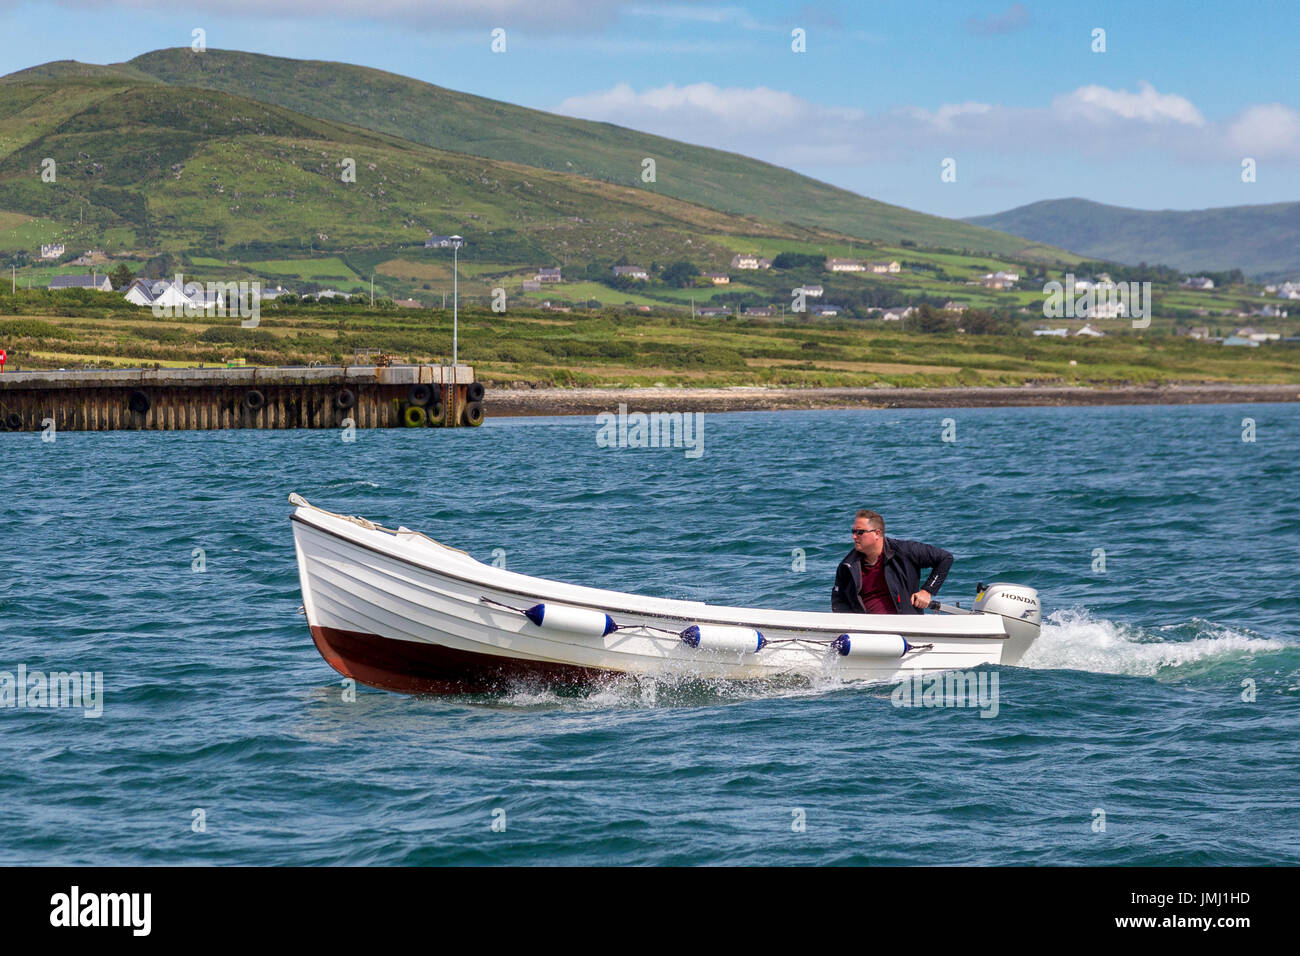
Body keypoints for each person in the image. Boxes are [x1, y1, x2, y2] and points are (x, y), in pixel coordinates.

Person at [831, 509, 953, 615]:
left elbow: (945, 558)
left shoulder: (905, 551)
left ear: (877, 533)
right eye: (853, 532)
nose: (854, 536)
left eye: (860, 532)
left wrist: (927, 591)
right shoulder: (847, 566)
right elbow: (839, 602)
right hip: (867, 629)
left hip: (904, 625)